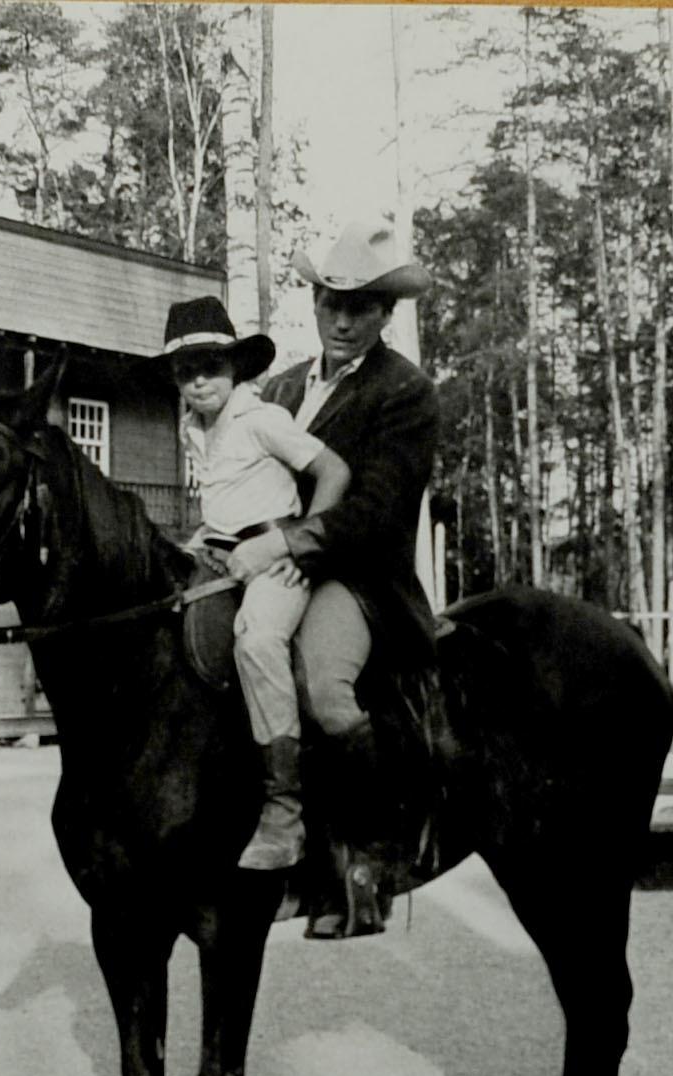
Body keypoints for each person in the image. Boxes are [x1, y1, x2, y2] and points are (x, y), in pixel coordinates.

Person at [223, 220, 441, 934]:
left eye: (362, 307)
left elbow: (378, 514)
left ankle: (368, 861)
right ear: (314, 304)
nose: (343, 320)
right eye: (330, 304)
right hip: (271, 559)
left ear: (386, 313)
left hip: (359, 578)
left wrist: (285, 542)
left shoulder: (405, 393)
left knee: (320, 681)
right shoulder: (278, 387)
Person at [154, 295, 351, 871]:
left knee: (258, 641)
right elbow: (222, 504)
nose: (198, 383)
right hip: (217, 551)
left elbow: (333, 471)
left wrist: (306, 543)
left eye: (210, 366)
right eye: (185, 372)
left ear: (235, 367)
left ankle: (284, 807)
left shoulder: (262, 418)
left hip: (274, 553)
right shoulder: (194, 428)